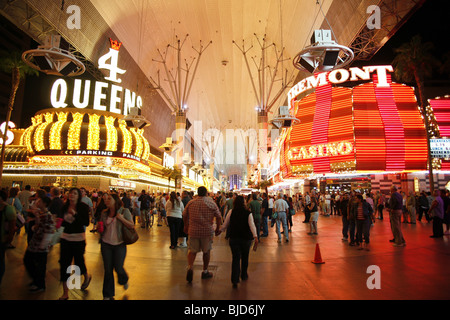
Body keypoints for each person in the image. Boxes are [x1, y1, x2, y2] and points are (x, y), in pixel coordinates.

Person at [98, 193, 134, 300]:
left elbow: (131, 225)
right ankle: (107, 294)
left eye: (109, 199)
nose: (106, 201)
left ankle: (124, 279)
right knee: (108, 270)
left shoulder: (124, 211)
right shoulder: (104, 213)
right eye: (105, 199)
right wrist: (99, 228)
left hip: (119, 244)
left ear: (115, 200)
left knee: (118, 267)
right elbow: (102, 227)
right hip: (106, 244)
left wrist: (121, 219)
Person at [182, 186, 222, 283]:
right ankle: (205, 271)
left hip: (193, 231)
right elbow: (219, 216)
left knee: (192, 251)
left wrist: (186, 225)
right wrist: (218, 228)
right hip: (207, 232)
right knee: (206, 251)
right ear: (206, 193)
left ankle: (190, 267)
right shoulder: (211, 203)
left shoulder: (191, 202)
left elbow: (184, 214)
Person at [58, 187, 91, 300]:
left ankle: (86, 276)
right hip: (65, 239)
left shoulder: (83, 207)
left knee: (78, 262)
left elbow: (86, 222)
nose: (72, 195)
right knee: (64, 264)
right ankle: (65, 293)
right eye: (70, 193)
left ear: (79, 196)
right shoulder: (64, 207)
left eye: (75, 193)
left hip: (78, 239)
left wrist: (76, 214)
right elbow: (61, 222)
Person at [219, 195, 258, 287]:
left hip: (234, 238)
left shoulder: (231, 212)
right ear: (244, 203)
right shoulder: (248, 213)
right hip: (246, 239)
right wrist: (255, 236)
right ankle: (244, 275)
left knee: (235, 259)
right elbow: (252, 226)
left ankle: (235, 279)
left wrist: (219, 231)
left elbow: (225, 224)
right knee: (245, 257)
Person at [23, 196, 55, 292]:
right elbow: (38, 226)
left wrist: (43, 245)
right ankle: (36, 281)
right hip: (35, 243)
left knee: (38, 265)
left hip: (40, 245)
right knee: (29, 261)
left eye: (40, 201)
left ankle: (40, 284)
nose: (37, 202)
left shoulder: (47, 215)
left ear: (44, 203)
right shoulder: (41, 214)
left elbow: (48, 231)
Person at [0, 190, 17, 285]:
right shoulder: (9, 208)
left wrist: (9, 239)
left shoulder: (8, 209)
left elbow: (12, 227)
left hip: (2, 239)